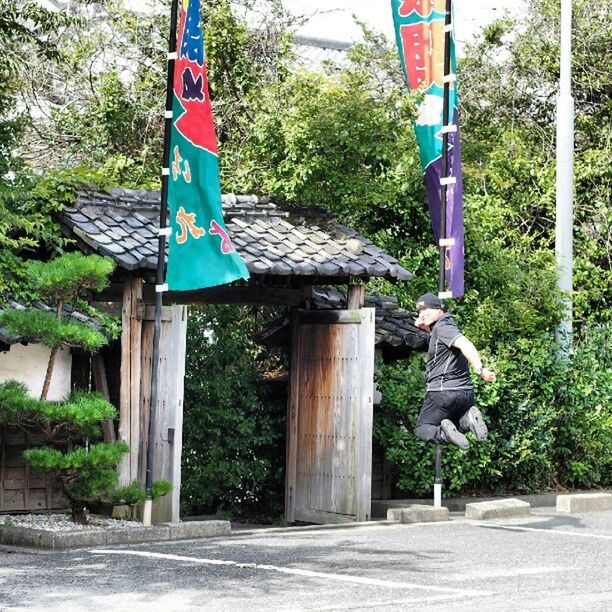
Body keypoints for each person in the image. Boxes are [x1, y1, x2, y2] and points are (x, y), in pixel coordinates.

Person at [413, 292, 496, 450]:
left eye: (426, 309)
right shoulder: (445, 325)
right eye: (419, 311)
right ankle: (469, 419)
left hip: (443, 392)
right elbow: (439, 338)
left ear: (439, 309)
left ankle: (444, 435)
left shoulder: (442, 327)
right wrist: (425, 324)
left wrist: (481, 370)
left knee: (423, 429)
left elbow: (466, 345)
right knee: (456, 425)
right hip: (465, 393)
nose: (422, 314)